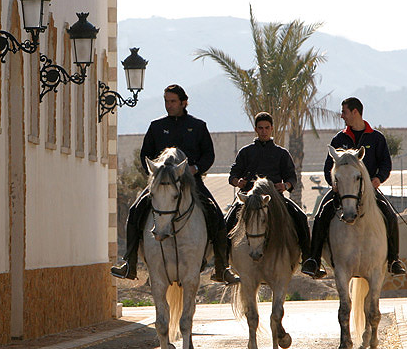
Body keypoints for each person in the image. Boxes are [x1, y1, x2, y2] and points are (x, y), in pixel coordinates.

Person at [111, 84, 240, 284]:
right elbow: (145, 155)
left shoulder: (198, 126)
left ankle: (222, 268)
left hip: (192, 183)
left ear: (183, 102)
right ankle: (129, 263)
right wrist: (156, 175)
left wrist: (195, 169)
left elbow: (209, 155)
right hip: (162, 184)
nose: (168, 105)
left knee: (216, 215)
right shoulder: (156, 126)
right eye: (166, 101)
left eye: (172, 101)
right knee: (135, 211)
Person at [301, 97, 407, 278]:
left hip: (368, 191)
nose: (342, 116)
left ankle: (393, 260)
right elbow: (329, 167)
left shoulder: (376, 138)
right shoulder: (339, 138)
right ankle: (314, 260)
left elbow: (385, 164)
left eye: (345, 112)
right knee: (321, 215)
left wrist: (378, 179)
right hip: (341, 191)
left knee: (390, 215)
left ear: (355, 112)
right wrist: (332, 183)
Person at [224, 112, 321, 275]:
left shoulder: (281, 153)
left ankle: (308, 260)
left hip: (275, 198)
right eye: (260, 128)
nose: (264, 131)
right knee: (227, 220)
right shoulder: (245, 152)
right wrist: (237, 181)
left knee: (301, 217)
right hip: (249, 199)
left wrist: (286, 185)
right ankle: (223, 265)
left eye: (267, 128)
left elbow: (292, 177)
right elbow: (233, 174)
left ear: (272, 129)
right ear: (255, 129)